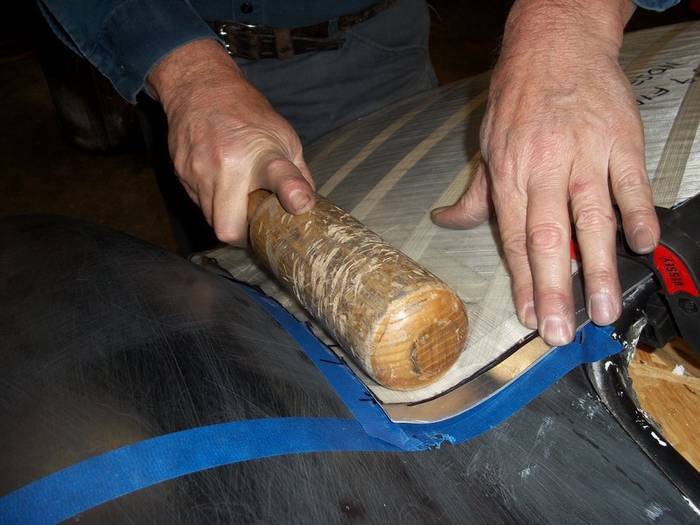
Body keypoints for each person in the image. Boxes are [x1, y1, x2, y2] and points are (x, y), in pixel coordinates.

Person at [39, 0, 678, 347]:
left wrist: (567, 20)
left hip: (378, 43)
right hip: (184, 51)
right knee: (241, 313)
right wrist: (185, 74)